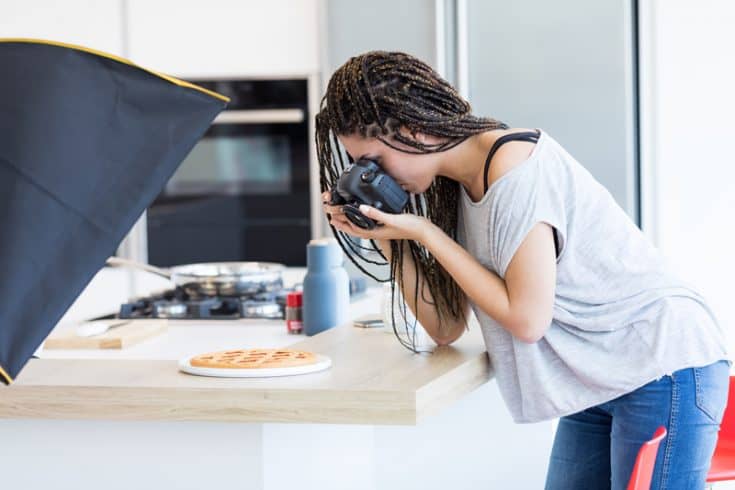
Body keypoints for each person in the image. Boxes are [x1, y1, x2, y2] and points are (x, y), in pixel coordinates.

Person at [316, 50, 731, 489]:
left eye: (374, 162)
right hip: (597, 374)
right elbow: (446, 327)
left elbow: (528, 319)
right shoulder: (450, 189)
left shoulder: (515, 170)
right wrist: (388, 237)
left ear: (412, 128)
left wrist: (424, 234)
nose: (370, 176)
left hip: (659, 362)